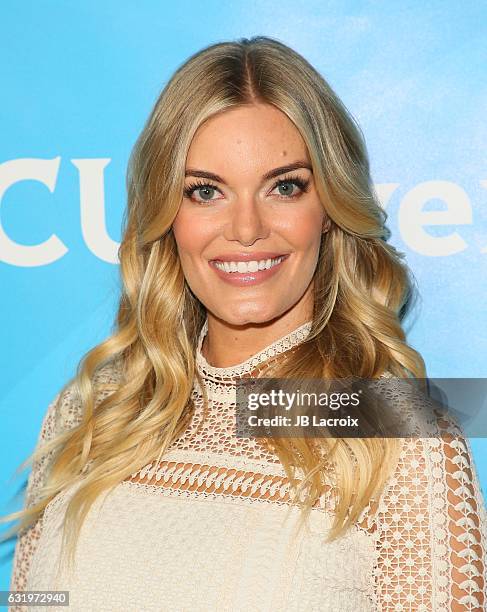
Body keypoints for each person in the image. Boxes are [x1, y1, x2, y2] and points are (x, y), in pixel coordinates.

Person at [3, 36, 486, 611]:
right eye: (205, 192)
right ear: (166, 216)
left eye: (285, 186)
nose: (247, 228)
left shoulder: (395, 434)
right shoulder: (91, 414)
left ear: (330, 211)